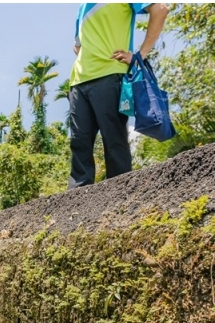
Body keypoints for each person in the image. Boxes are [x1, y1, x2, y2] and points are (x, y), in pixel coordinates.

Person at [68, 2, 169, 189]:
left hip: (110, 74)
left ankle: (120, 193)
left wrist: (140, 55)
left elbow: (160, 9)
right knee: (79, 143)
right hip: (78, 81)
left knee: (113, 138)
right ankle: (76, 200)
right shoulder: (82, 6)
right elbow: (77, 46)